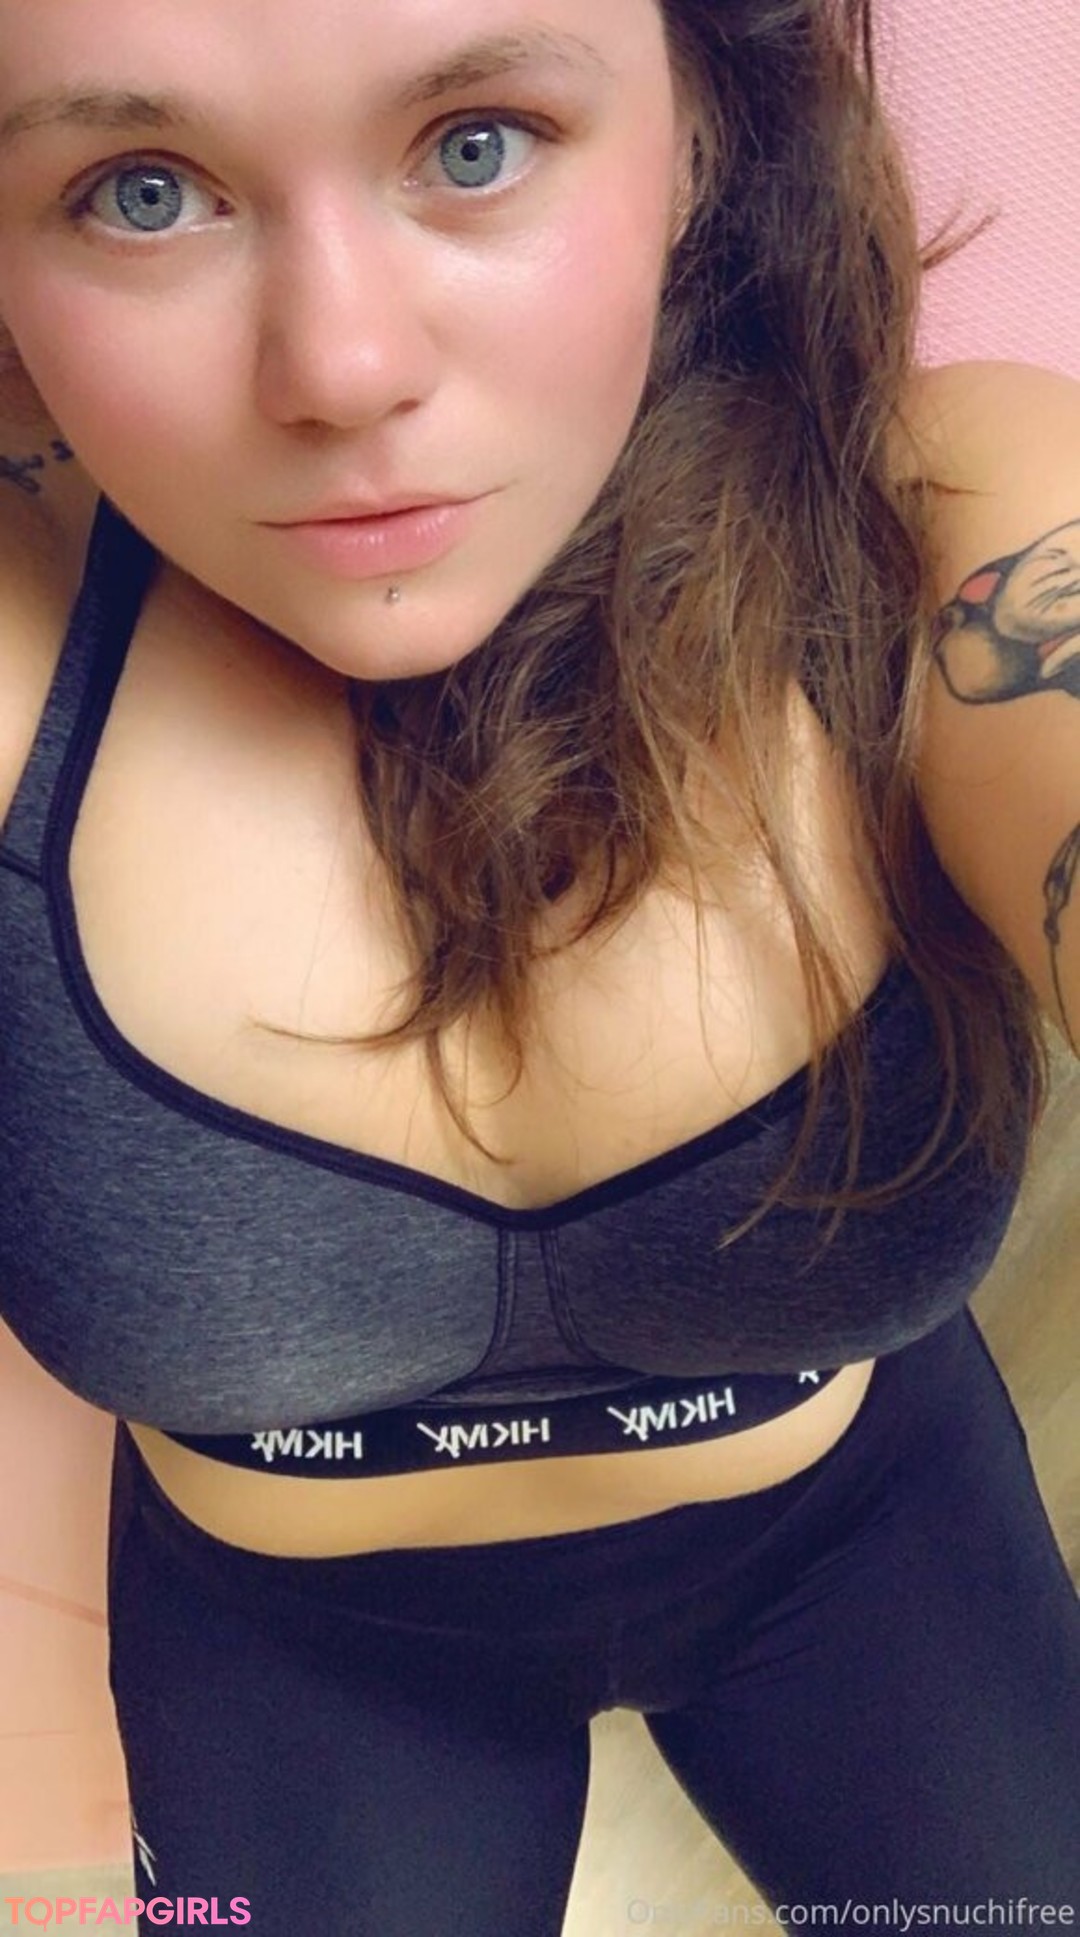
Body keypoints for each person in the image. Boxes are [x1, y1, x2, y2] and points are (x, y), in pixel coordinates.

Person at [0, 0, 1077, 1928]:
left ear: (701, 129)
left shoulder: (927, 513)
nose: (343, 367)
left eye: (477, 141)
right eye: (142, 191)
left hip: (861, 1553)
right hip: (306, 1671)